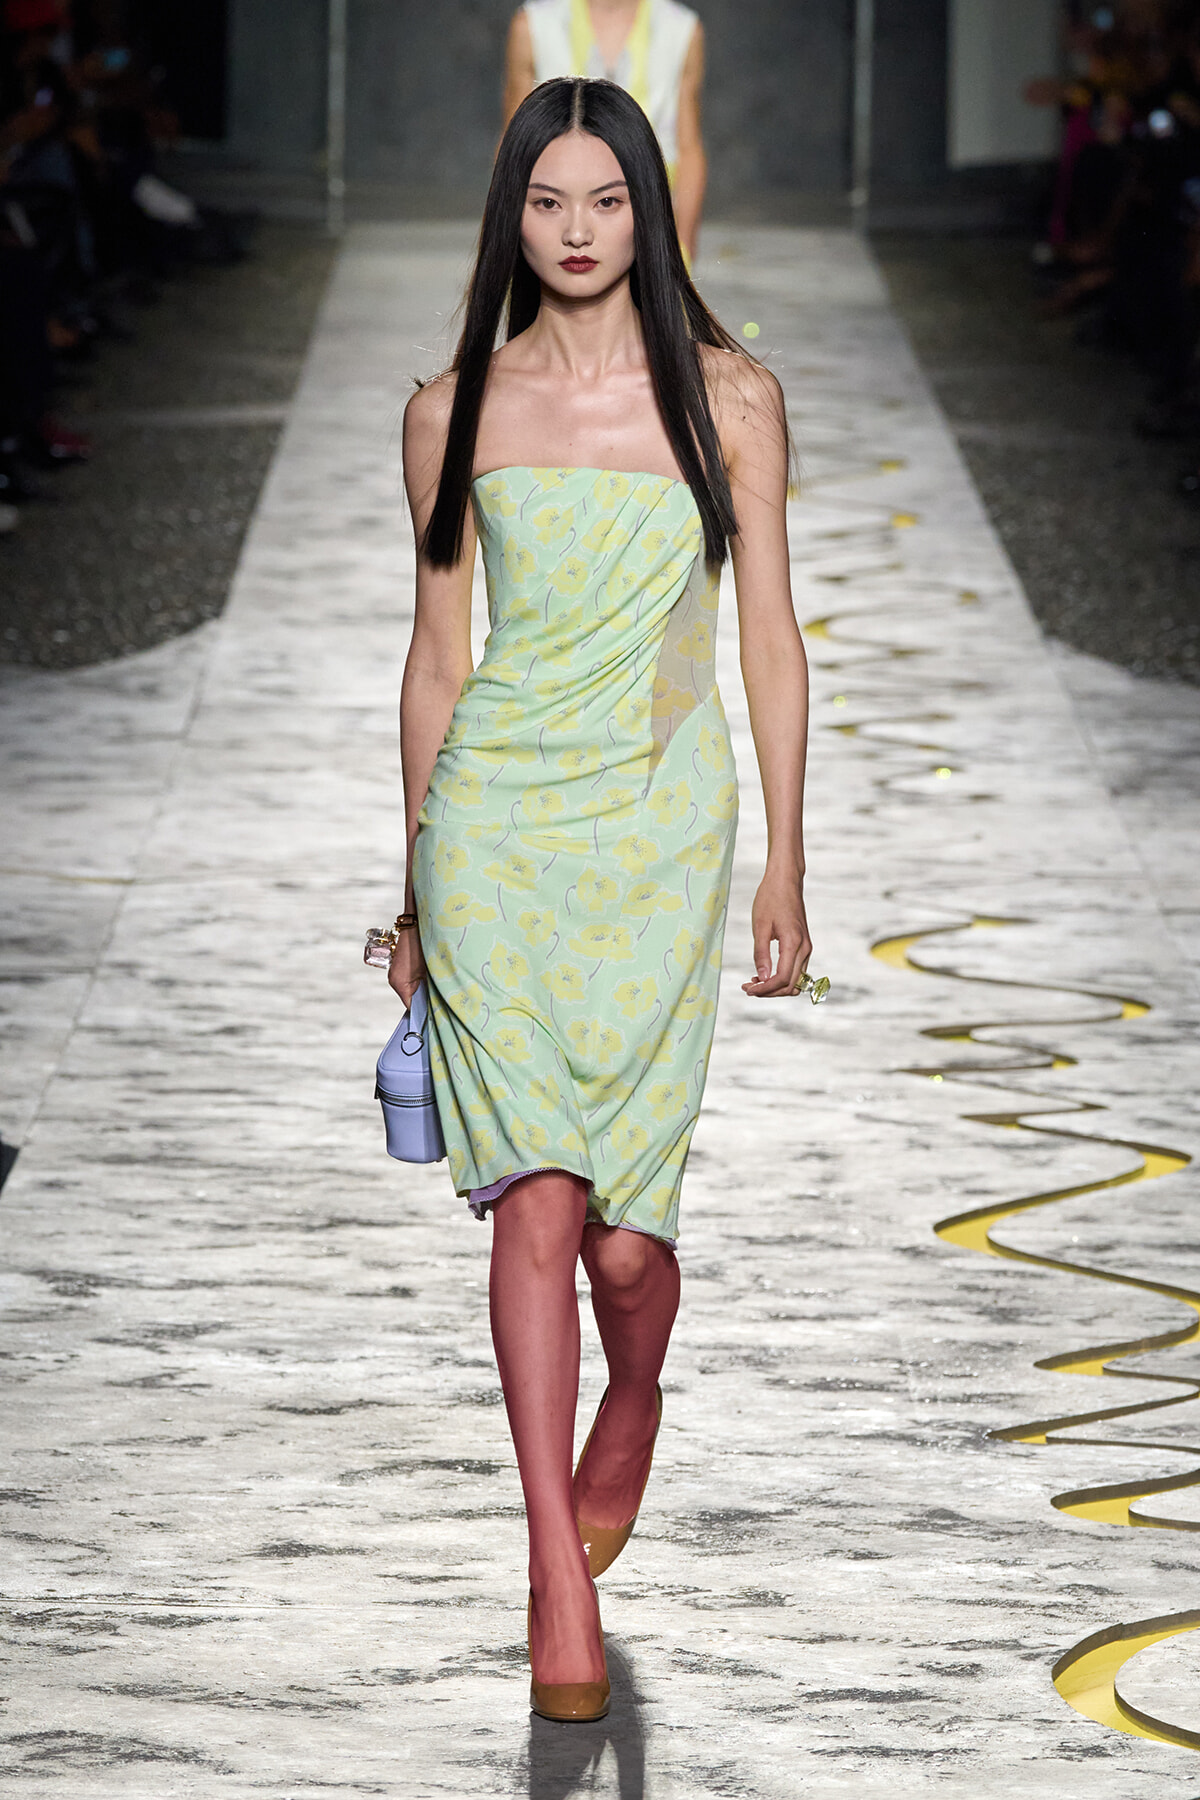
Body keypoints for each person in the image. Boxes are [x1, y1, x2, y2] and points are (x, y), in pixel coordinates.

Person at [388, 76, 812, 1723]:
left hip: (656, 824)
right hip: (497, 822)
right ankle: (554, 1578)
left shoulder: (733, 398)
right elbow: (435, 662)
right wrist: (415, 882)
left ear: (652, 207)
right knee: (536, 1196)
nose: (576, 233)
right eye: (549, 204)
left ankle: (633, 1391)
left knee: (631, 1242)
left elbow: (769, 637)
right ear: (516, 214)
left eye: (607, 202)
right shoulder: (451, 409)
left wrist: (788, 854)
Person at [503, 0, 706, 263]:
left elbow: (688, 147)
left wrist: (683, 248)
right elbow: (514, 146)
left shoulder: (680, 28)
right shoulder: (534, 25)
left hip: (653, 214)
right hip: (557, 213)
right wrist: (502, 242)